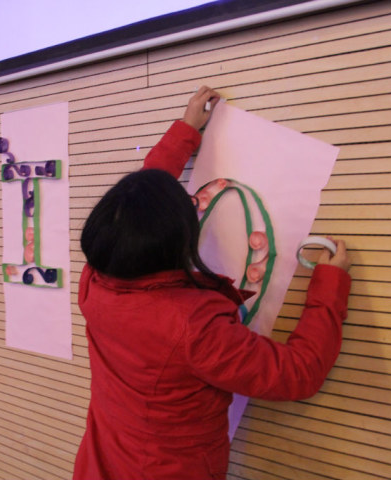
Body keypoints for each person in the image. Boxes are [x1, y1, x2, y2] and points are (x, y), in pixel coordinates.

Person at [74, 86, 352, 480]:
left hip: (99, 467)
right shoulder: (195, 327)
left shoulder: (96, 279)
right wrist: (330, 283)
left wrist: (185, 132)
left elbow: (139, 206)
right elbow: (299, 373)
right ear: (178, 243)